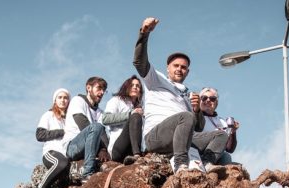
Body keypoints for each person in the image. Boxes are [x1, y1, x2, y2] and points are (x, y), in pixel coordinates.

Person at [133, 17, 215, 172]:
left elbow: (198, 127)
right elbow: (139, 62)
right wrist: (144, 34)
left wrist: (197, 110)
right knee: (186, 116)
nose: (179, 69)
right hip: (156, 137)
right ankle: (181, 164)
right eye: (175, 66)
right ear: (167, 69)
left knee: (219, 135)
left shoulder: (188, 94)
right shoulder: (156, 79)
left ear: (188, 72)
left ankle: (207, 164)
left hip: (182, 139)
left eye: (183, 67)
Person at [63, 76, 109, 181]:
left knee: (101, 130)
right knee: (96, 127)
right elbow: (83, 124)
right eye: (99, 88)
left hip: (89, 146)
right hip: (72, 147)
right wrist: (100, 149)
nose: (102, 92)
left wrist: (104, 150)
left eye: (104, 90)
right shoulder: (77, 101)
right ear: (88, 88)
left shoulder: (100, 112)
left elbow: (103, 134)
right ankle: (87, 173)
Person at [102, 75, 144, 164]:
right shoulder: (116, 100)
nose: (135, 87)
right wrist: (129, 114)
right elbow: (105, 119)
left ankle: (138, 152)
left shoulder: (140, 108)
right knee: (135, 115)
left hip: (131, 148)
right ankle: (137, 155)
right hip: (117, 149)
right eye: (132, 85)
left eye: (138, 86)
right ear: (126, 87)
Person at [36, 88, 71, 188]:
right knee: (61, 163)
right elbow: (39, 135)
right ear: (55, 100)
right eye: (59, 97)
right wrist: (62, 132)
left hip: (66, 153)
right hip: (51, 152)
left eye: (65, 98)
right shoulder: (48, 115)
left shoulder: (70, 118)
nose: (63, 100)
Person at [197, 87, 239, 165]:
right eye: (204, 98)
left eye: (212, 98)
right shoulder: (195, 116)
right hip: (198, 150)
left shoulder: (222, 121)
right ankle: (206, 164)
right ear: (199, 101)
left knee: (226, 156)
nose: (208, 100)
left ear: (216, 102)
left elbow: (229, 149)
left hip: (216, 155)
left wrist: (233, 132)